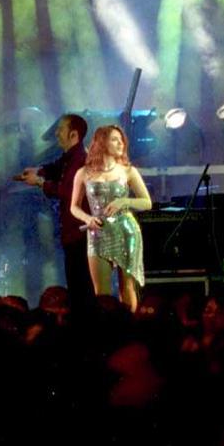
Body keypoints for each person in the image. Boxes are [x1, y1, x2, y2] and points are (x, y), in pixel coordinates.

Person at [14, 114, 94, 309]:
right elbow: (56, 167)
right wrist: (38, 171)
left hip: (79, 233)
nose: (56, 133)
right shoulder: (70, 157)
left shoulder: (80, 160)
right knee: (75, 284)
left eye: (61, 129)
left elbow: (66, 191)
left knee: (80, 286)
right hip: (72, 232)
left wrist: (40, 182)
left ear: (74, 134)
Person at [70, 125, 152, 312]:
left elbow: (147, 202)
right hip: (98, 231)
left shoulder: (128, 171)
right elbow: (74, 206)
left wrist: (124, 201)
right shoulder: (83, 173)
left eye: (122, 140)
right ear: (102, 142)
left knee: (127, 287)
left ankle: (129, 324)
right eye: (115, 139)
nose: (120, 143)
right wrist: (87, 219)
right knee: (101, 292)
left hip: (126, 231)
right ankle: (107, 326)